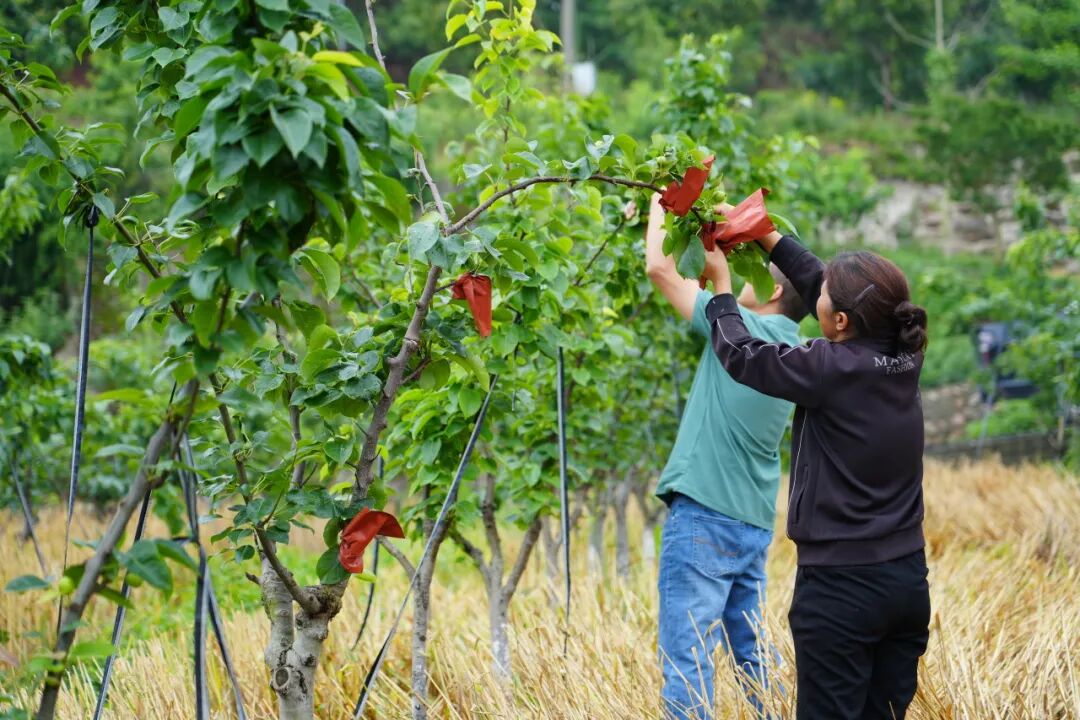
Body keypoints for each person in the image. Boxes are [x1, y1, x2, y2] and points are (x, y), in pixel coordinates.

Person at [702, 219, 931, 720]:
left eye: (825, 296)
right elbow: (823, 284)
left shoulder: (829, 367)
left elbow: (743, 355)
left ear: (843, 321)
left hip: (841, 590)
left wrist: (721, 291)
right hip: (906, 583)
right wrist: (760, 232)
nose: (815, 292)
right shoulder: (904, 353)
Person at [645, 193, 808, 719]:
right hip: (752, 523)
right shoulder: (800, 357)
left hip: (705, 519)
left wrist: (659, 201)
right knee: (754, 656)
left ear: (775, 289)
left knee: (687, 657)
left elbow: (659, 268)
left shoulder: (739, 332)